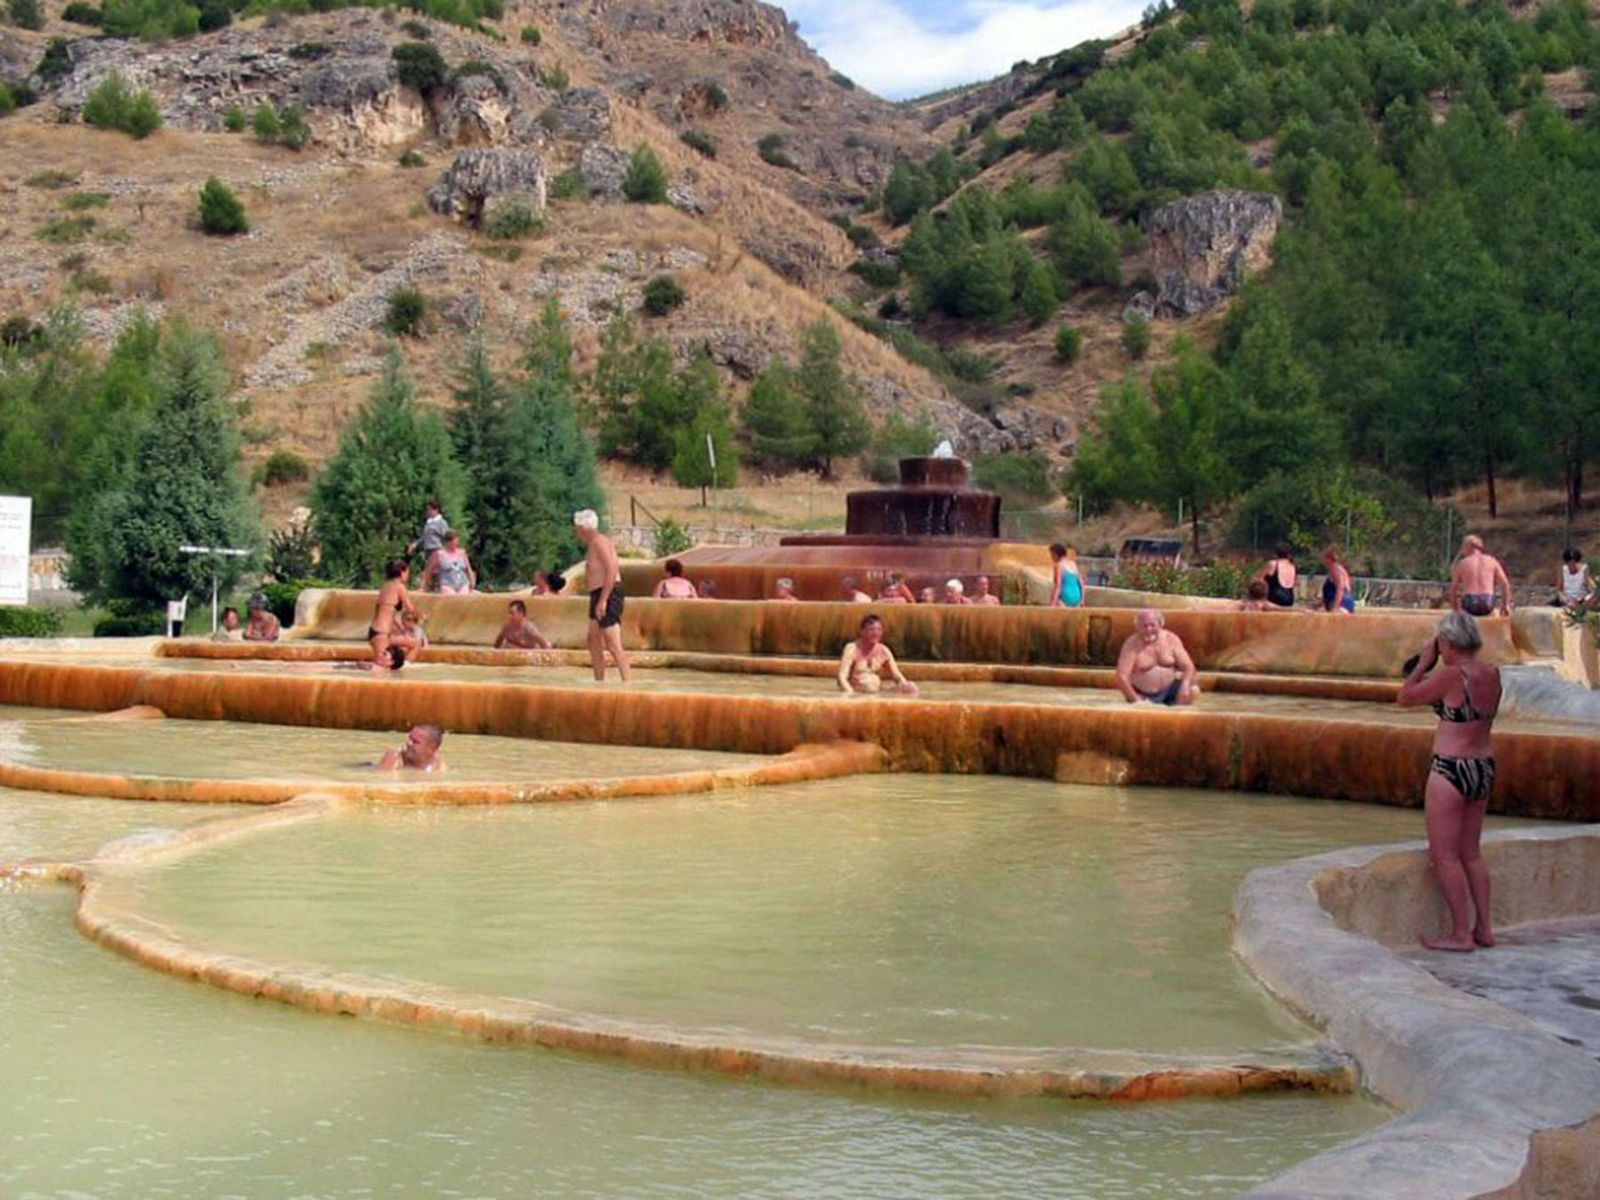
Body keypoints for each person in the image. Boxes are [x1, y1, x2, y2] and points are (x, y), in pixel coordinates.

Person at [1397, 611, 1502, 952]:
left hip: (1450, 769)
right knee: (1470, 852)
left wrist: (1424, 663)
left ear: (1449, 642)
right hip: (1482, 766)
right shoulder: (1492, 674)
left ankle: (1461, 934)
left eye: (1440, 642)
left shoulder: (1453, 675)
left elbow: (1406, 697)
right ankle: (1484, 927)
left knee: (1444, 856)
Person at [575, 509, 629, 682]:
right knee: (593, 640)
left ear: (584, 528)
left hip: (608, 591)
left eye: (577, 528)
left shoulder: (600, 542)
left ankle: (628, 683)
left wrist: (604, 600)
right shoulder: (594, 543)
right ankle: (599, 681)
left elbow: (612, 568)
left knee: (613, 643)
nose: (576, 532)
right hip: (598, 592)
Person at [1114, 608, 1199, 705]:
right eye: (1144, 626)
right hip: (1144, 694)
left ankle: (1179, 714)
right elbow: (1121, 676)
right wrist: (1135, 699)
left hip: (1171, 690)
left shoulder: (1171, 639)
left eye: (1152, 625)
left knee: (1193, 689)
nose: (1148, 629)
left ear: (1160, 624)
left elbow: (1188, 667)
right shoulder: (1132, 644)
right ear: (1137, 627)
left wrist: (1185, 685)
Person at [836, 614, 918, 696]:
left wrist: (904, 687)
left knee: (911, 687)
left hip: (878, 694)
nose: (876, 633)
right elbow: (842, 677)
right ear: (862, 631)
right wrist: (850, 694)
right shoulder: (852, 649)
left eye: (879, 630)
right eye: (871, 629)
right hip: (856, 692)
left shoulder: (884, 651)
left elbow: (897, 676)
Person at [369, 557, 420, 670]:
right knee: (379, 668)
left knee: (415, 643)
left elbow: (389, 614)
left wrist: (403, 630)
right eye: (407, 572)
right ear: (401, 572)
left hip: (380, 632)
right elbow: (410, 610)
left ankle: (403, 670)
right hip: (381, 634)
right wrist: (421, 618)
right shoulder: (399, 587)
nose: (408, 575)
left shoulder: (385, 586)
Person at [1450, 535, 1512, 618]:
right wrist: (1506, 605)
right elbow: (1505, 584)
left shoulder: (1463, 563)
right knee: (1494, 614)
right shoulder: (1492, 561)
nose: (1462, 550)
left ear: (1469, 547)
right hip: (1487, 601)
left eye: (1463, 546)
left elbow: (1453, 588)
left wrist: (1455, 608)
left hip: (1470, 601)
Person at [422, 530, 476, 595]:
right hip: (447, 584)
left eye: (456, 541)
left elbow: (468, 568)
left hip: (463, 583)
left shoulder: (462, 553)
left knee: (463, 600)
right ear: (447, 542)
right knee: (452, 600)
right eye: (453, 542)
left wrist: (472, 581)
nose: (455, 544)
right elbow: (429, 571)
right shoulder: (439, 554)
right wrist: (423, 586)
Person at [378, 723, 446, 772]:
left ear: (431, 748)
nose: (408, 743)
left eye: (415, 742)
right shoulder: (395, 757)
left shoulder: (438, 766)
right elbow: (384, 780)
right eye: (409, 739)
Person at [409, 499, 450, 564]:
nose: (427, 512)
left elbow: (447, 537)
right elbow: (424, 537)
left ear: (436, 510)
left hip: (437, 551)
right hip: (428, 552)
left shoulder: (442, 523)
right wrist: (415, 545)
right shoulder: (428, 523)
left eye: (429, 510)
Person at [1260, 543, 1297, 608]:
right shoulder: (1292, 566)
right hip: (1290, 598)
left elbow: (1259, 580)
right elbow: (1295, 583)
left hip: (1274, 597)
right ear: (1288, 554)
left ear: (1276, 553)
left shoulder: (1272, 564)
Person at [1321, 548, 1355, 615]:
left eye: (1324, 558)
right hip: (1337, 602)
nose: (1323, 560)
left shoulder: (1336, 569)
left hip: (1342, 603)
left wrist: (1335, 607)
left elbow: (1340, 588)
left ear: (1329, 559)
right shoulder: (1333, 569)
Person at [1049, 544, 1084, 608]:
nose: (1051, 557)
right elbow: (1081, 584)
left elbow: (1058, 585)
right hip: (1076, 596)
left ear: (1056, 555)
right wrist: (1082, 600)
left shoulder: (1058, 566)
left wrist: (1052, 603)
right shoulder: (1073, 564)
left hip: (1066, 597)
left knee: (1055, 599)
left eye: (1052, 555)